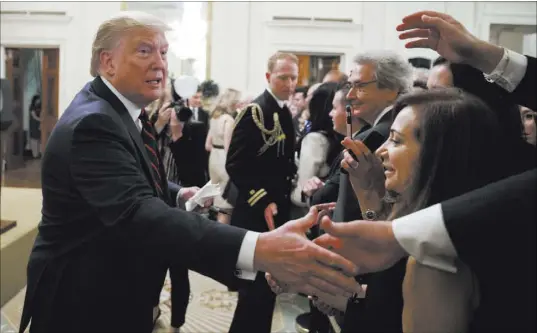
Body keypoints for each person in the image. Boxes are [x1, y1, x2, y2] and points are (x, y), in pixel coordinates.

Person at [19, 12, 361, 333]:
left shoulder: (120, 111)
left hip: (113, 287)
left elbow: (131, 180)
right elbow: (136, 212)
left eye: (164, 53)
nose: (160, 64)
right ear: (107, 61)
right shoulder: (94, 122)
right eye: (144, 51)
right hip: (86, 301)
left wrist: (176, 193)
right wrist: (258, 248)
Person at [314, 10, 536, 332]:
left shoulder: (439, 255)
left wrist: (352, 300)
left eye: (396, 140)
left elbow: (388, 305)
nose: (381, 152)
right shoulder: (442, 210)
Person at [225, 51, 299, 333]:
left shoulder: (284, 111)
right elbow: (236, 164)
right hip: (256, 213)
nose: (290, 84)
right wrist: (264, 200)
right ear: (269, 77)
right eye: (283, 77)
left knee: (268, 289)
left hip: (276, 211)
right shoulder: (255, 111)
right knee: (253, 289)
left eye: (293, 77)